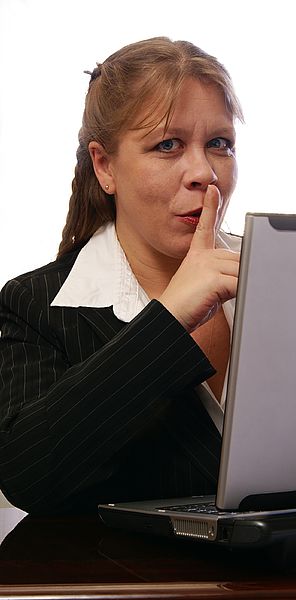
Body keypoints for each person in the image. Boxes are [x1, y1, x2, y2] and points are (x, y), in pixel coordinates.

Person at [0, 37, 244, 515]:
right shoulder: (34, 304)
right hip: (134, 583)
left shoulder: (289, 278)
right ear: (105, 166)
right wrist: (169, 320)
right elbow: (27, 475)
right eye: (167, 145)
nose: (203, 172)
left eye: (219, 144)